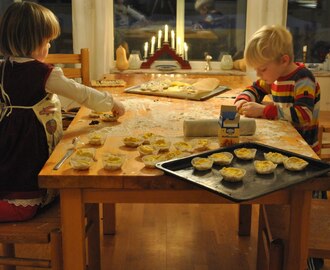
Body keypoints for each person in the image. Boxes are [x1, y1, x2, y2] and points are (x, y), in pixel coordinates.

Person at [0, 2, 125, 222]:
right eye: (48, 41)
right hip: (28, 144)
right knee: (24, 196)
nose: (49, 47)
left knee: (10, 179)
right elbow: (81, 93)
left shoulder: (3, 67)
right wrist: (111, 102)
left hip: (7, 139)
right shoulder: (44, 73)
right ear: (34, 41)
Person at [234, 24, 324, 270]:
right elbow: (256, 87)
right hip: (287, 147)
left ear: (284, 60)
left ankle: (308, 258)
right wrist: (244, 98)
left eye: (263, 68)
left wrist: (265, 110)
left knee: (308, 217)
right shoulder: (274, 76)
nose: (260, 74)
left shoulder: (302, 78)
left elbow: (304, 115)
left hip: (307, 159)